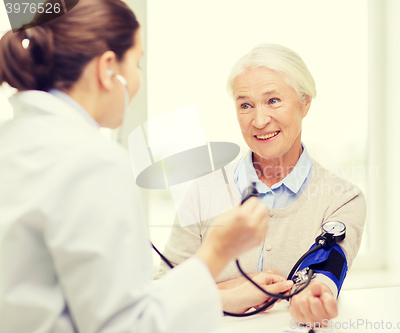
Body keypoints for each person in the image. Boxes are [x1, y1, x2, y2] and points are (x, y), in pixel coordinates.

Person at [0, 1, 293, 332]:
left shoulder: (13, 142)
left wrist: (225, 297)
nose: (138, 81)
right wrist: (217, 252)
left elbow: (89, 300)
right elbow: (126, 326)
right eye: (137, 63)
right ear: (108, 68)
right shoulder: (92, 161)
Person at [154, 44, 367, 323]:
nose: (259, 120)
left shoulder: (343, 199)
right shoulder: (204, 191)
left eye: (273, 101)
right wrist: (232, 293)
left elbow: (325, 275)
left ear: (305, 103)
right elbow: (161, 292)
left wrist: (314, 294)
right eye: (245, 105)